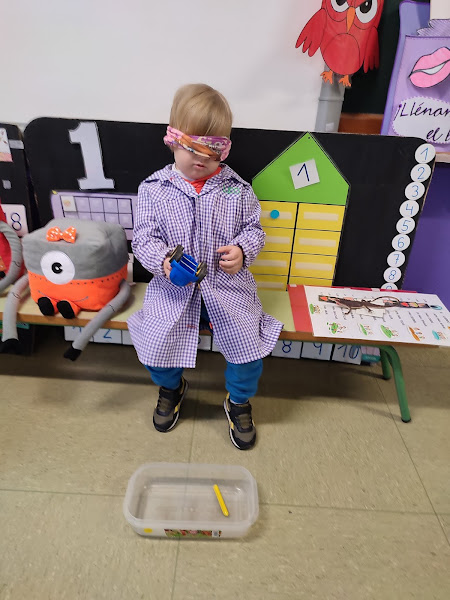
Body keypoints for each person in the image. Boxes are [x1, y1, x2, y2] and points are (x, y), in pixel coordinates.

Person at [128, 83, 283, 450]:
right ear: (172, 140)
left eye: (213, 150)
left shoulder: (237, 190)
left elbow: (255, 230)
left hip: (227, 289)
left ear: (224, 149)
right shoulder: (154, 189)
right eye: (191, 147)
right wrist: (163, 262)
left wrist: (243, 250)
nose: (202, 158)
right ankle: (171, 386)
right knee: (154, 342)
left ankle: (239, 400)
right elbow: (143, 239)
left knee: (248, 345)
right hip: (173, 290)